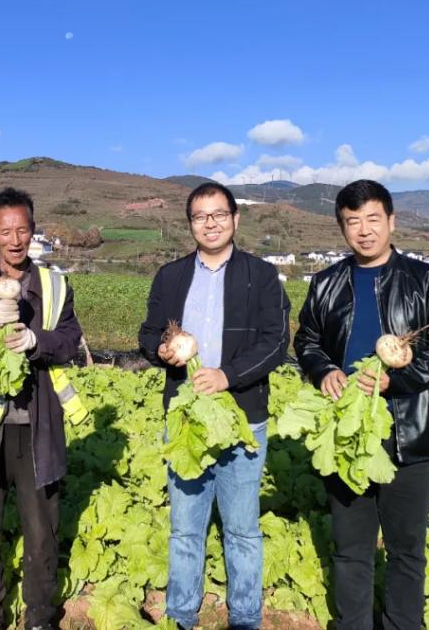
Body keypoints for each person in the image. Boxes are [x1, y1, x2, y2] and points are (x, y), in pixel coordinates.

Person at [294, 179, 429, 630]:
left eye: (373, 219)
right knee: (350, 547)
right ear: (342, 227)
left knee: (406, 548)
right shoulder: (326, 284)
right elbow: (307, 340)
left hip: (410, 430)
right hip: (347, 432)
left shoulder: (427, 280)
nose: (364, 231)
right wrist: (322, 370)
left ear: (391, 221)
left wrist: (398, 379)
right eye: (352, 222)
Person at [138, 182, 290, 630]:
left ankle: (245, 619)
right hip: (186, 419)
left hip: (242, 417)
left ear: (235, 219)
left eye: (219, 214)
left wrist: (229, 375)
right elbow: (148, 332)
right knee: (186, 528)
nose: (210, 223)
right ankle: (181, 616)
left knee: (242, 529)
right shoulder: (170, 276)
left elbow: (276, 342)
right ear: (190, 224)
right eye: (200, 216)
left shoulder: (261, 275)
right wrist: (160, 350)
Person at [0, 187, 85, 630]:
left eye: (22, 230)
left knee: (42, 529)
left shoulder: (55, 286)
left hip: (38, 425)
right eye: (5, 231)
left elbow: (70, 342)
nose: (15, 240)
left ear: (33, 231)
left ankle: (39, 616)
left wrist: (35, 341)